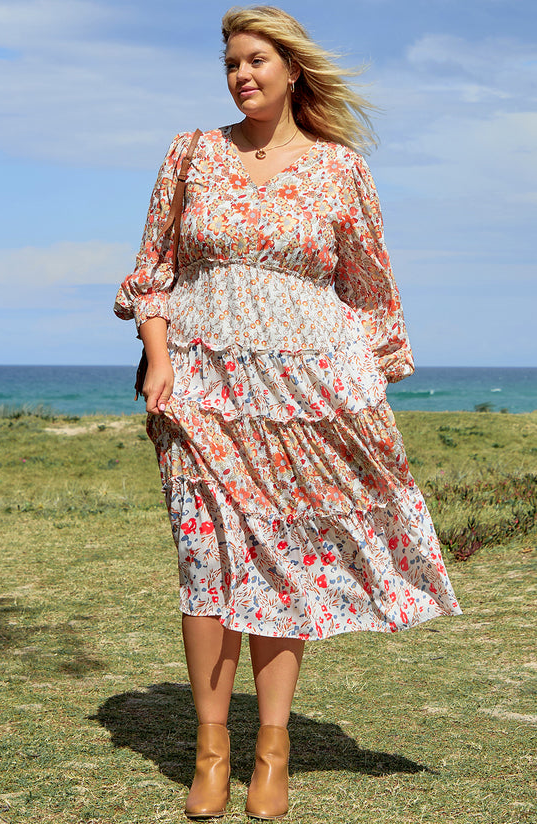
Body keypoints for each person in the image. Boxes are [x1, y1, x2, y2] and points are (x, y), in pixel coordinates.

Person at [114, 5, 462, 820]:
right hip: (200, 388)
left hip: (305, 400)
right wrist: (160, 359)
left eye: (257, 60)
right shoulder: (191, 153)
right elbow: (152, 271)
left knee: (280, 568)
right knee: (206, 568)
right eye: (231, 62)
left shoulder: (342, 170)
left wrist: (363, 386)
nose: (242, 75)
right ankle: (211, 751)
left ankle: (273, 750)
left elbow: (370, 289)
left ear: (293, 68)